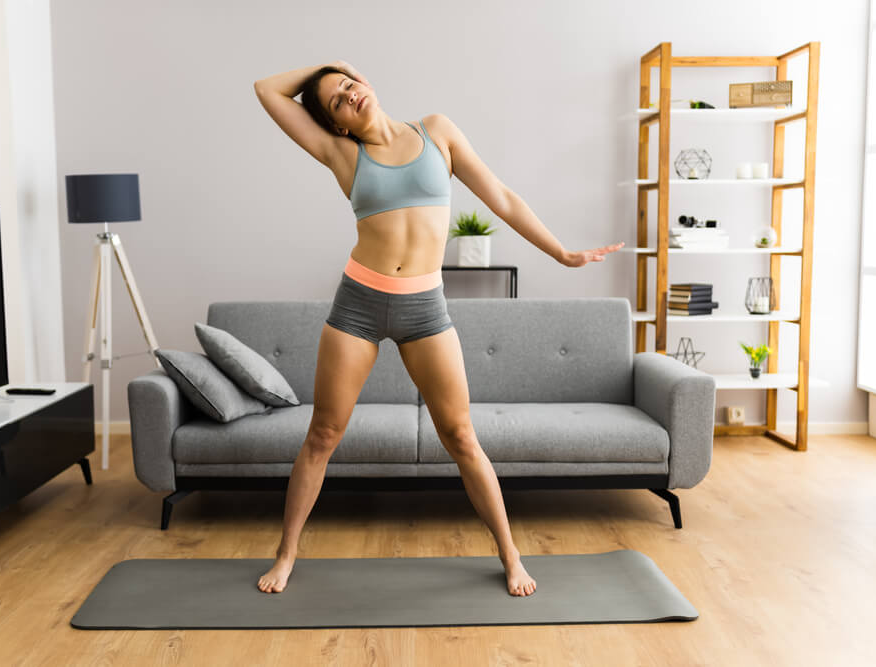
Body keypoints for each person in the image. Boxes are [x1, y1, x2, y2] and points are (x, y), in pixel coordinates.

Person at [252, 60, 625, 597]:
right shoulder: (341, 154)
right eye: (337, 100)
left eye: (352, 85)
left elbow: (502, 197)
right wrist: (330, 69)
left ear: (369, 83)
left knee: (461, 436)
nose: (350, 95)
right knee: (324, 434)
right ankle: (286, 554)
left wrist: (562, 253)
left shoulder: (437, 132)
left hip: (424, 307)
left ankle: (511, 555)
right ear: (335, 125)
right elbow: (267, 90)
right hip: (359, 303)